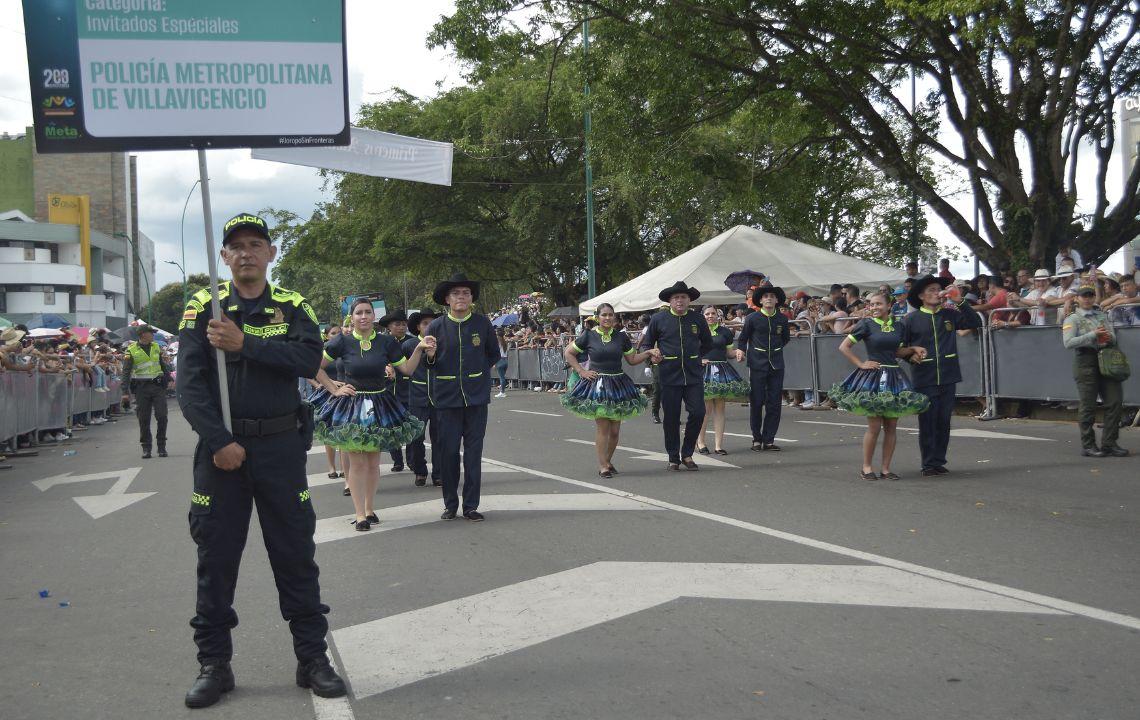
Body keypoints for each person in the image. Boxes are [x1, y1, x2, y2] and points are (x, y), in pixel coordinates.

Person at [176, 212, 346, 707]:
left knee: (295, 553)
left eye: (256, 243)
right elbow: (190, 385)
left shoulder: (293, 306)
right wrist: (218, 440)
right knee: (216, 556)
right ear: (224, 257)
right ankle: (214, 664)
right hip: (222, 452)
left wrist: (243, 344)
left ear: (271, 254)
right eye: (236, 246)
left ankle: (312, 658)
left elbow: (308, 360)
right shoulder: (203, 307)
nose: (246, 252)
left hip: (279, 448)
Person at [310, 301, 432, 530]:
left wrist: (418, 349)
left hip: (380, 404)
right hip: (351, 405)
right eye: (359, 313)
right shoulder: (341, 341)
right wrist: (333, 388)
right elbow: (315, 367)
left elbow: (406, 370)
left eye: (367, 312)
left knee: (374, 462)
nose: (363, 316)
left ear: (374, 316)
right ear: (351, 317)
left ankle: (369, 508)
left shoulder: (386, 342)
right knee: (356, 462)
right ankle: (360, 515)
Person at [424, 274, 501, 521]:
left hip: (477, 398)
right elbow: (429, 363)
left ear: (471, 298)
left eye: (466, 293)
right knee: (448, 453)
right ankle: (450, 504)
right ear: (447, 299)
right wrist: (432, 356)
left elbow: (493, 354)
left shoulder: (482, 323)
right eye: (456, 293)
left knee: (473, 453)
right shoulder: (436, 326)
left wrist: (477, 374)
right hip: (446, 399)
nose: (461, 297)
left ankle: (471, 506)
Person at [830, 292, 930, 480]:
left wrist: (914, 349)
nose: (874, 307)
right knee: (874, 426)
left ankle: (886, 469)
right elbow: (843, 347)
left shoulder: (899, 327)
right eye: (871, 304)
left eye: (878, 304)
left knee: (891, 425)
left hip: (894, 377)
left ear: (889, 305)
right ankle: (867, 467)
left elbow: (898, 351)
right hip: (874, 377)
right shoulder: (866, 324)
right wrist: (861, 364)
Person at [898, 275, 983, 476]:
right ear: (921, 296)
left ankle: (938, 461)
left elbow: (974, 322)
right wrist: (912, 357)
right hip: (924, 377)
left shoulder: (950, 314)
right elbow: (900, 348)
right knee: (927, 421)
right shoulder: (910, 320)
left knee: (943, 421)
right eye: (931, 290)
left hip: (948, 375)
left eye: (938, 289)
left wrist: (959, 300)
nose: (937, 293)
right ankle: (928, 463)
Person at [561, 303, 654, 477]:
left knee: (615, 430)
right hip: (598, 385)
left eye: (611, 315)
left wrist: (648, 353)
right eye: (604, 315)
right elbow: (568, 353)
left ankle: (608, 460)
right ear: (597, 317)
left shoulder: (621, 337)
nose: (608, 318)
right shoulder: (588, 335)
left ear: (615, 317)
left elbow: (632, 359)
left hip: (618, 385)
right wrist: (582, 371)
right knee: (603, 427)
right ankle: (603, 465)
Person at [639, 282, 713, 470]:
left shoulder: (697, 318)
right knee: (671, 418)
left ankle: (687, 453)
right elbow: (647, 345)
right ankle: (673, 456)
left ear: (689, 300)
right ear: (670, 301)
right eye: (676, 298)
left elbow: (707, 343)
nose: (680, 301)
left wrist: (697, 358)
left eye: (683, 297)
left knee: (698, 412)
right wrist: (653, 358)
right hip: (668, 375)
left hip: (693, 374)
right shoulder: (658, 319)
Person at [1062, 285, 1129, 457]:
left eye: (1091, 295)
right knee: (1088, 405)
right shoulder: (1072, 319)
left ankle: (1109, 442)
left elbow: (1113, 336)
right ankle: (1088, 444)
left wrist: (1107, 336)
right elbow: (1068, 343)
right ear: (1077, 298)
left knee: (1115, 401)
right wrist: (1092, 335)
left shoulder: (1101, 315)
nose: (1087, 299)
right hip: (1085, 360)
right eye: (1084, 296)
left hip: (1105, 357)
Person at [735, 286, 791, 451]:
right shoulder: (752, 318)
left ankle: (769, 439)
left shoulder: (782, 319)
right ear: (760, 300)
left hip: (776, 364)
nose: (768, 298)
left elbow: (785, 339)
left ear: (776, 300)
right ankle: (756, 439)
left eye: (772, 296)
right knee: (757, 401)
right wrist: (741, 351)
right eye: (765, 296)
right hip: (757, 364)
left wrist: (774, 350)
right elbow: (743, 338)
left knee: (774, 403)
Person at [693, 306, 749, 455]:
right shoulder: (696, 331)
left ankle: (718, 445)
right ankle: (701, 442)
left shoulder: (725, 332)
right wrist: (699, 360)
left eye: (713, 313)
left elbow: (729, 353)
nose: (710, 316)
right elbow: (690, 351)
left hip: (721, 370)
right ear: (702, 316)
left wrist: (738, 353)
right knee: (705, 409)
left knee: (720, 408)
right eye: (707, 314)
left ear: (718, 316)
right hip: (703, 371)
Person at [122, 325, 173, 458]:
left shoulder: (156, 346)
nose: (153, 335)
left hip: (157, 387)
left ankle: (161, 446)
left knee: (162, 416)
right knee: (144, 419)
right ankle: (146, 448)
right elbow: (126, 372)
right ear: (143, 334)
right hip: (141, 388)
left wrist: (168, 378)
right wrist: (125, 392)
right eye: (151, 333)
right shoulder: (131, 350)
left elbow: (161, 364)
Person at [406, 309, 442, 486]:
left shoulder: (442, 343)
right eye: (425, 323)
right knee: (416, 437)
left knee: (439, 438)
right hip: (417, 398)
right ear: (418, 327)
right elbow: (400, 366)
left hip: (439, 397)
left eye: (432, 323)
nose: (429, 327)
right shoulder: (409, 345)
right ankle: (420, 471)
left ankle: (439, 474)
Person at [379, 309, 412, 473]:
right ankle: (397, 460)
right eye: (397, 324)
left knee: (410, 425)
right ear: (389, 327)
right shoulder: (382, 343)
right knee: (391, 427)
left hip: (409, 390)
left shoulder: (412, 343)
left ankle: (413, 458)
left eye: (404, 324)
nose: (401, 327)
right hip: (388, 391)